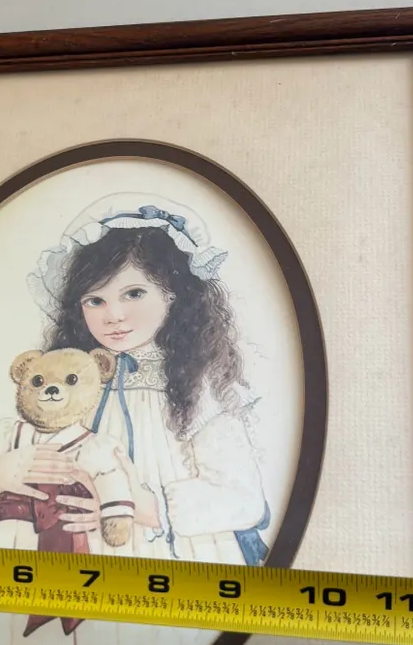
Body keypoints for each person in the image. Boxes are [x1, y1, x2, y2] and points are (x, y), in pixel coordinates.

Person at [18, 195, 271, 567]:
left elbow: (245, 501)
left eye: (134, 293)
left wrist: (142, 506)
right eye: (95, 301)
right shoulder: (76, 380)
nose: (114, 315)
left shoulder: (197, 385)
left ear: (173, 295)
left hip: (177, 553)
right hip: (81, 547)